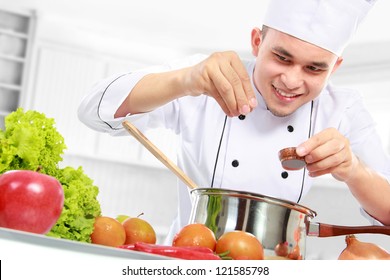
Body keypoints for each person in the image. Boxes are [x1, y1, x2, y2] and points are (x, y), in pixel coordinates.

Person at [78, 0, 390, 242]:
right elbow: (93, 110)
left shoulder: (344, 109)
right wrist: (184, 80)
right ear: (257, 42)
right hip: (189, 259)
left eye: (314, 69)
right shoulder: (206, 76)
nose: (292, 80)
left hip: (277, 263)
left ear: (334, 68)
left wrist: (353, 170)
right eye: (282, 58)